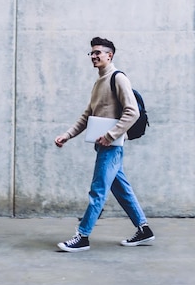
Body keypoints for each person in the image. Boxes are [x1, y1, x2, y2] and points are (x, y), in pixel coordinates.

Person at [54, 37, 155, 252]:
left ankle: (82, 236)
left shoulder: (118, 79)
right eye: (91, 53)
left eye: (98, 52)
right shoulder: (98, 83)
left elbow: (132, 112)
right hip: (103, 144)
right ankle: (144, 229)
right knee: (122, 191)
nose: (93, 56)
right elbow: (88, 115)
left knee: (97, 191)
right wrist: (67, 135)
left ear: (110, 55)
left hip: (111, 146)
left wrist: (111, 135)